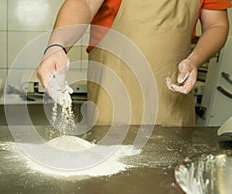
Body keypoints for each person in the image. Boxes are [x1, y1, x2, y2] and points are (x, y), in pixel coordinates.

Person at [37, 0, 232, 126]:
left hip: (172, 111)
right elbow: (84, 3)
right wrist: (57, 46)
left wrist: (194, 59)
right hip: (112, 107)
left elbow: (217, 24)